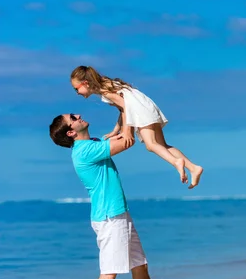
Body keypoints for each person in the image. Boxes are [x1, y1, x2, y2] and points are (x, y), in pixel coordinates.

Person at [49, 113, 180, 279]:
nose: (79, 115)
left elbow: (121, 134)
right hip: (110, 218)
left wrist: (123, 107)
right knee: (109, 273)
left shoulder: (94, 143)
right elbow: (126, 141)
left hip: (119, 214)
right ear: (71, 132)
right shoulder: (85, 151)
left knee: (140, 266)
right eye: (73, 117)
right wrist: (126, 110)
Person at [70, 65, 203, 189]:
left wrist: (127, 131)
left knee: (151, 145)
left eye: (76, 89)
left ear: (85, 83)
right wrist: (116, 130)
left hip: (140, 110)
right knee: (162, 145)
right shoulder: (106, 85)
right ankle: (193, 168)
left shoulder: (105, 91)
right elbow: (122, 109)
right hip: (145, 105)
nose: (77, 92)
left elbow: (126, 106)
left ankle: (176, 162)